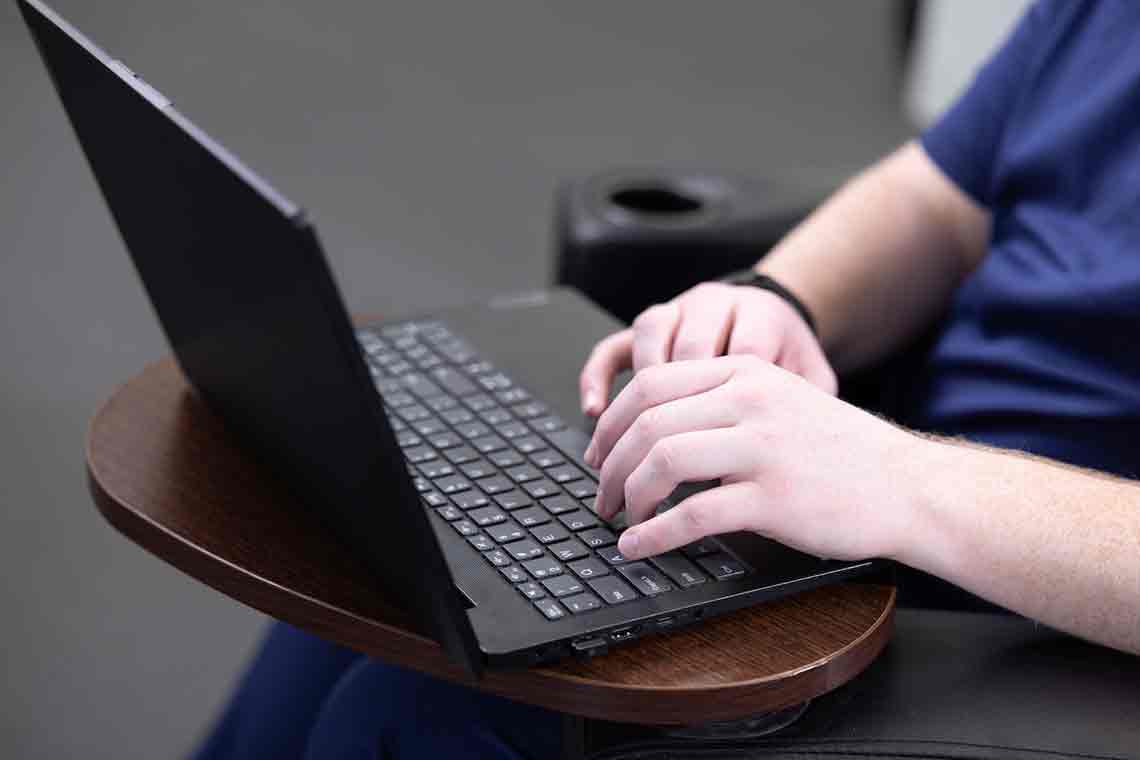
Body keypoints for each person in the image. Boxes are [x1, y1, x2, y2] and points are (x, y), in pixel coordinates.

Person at [194, 2, 1140, 757]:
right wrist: (783, 296)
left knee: (412, 714)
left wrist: (903, 478)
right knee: (404, 558)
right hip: (906, 502)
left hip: (1038, 632)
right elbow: (940, 199)